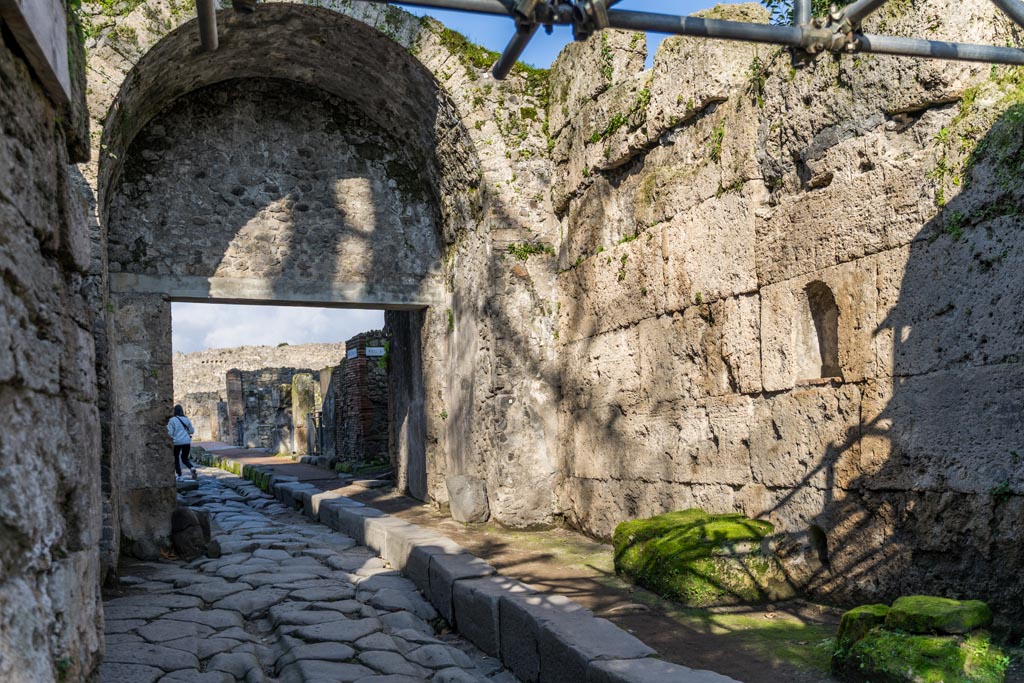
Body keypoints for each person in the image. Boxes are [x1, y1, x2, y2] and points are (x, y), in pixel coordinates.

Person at [168, 405, 197, 480]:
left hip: (176, 442)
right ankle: (192, 468)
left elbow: (170, 433)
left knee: (176, 458)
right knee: (185, 458)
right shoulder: (186, 419)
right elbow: (192, 431)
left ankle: (180, 475)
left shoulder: (172, 420)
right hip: (186, 442)